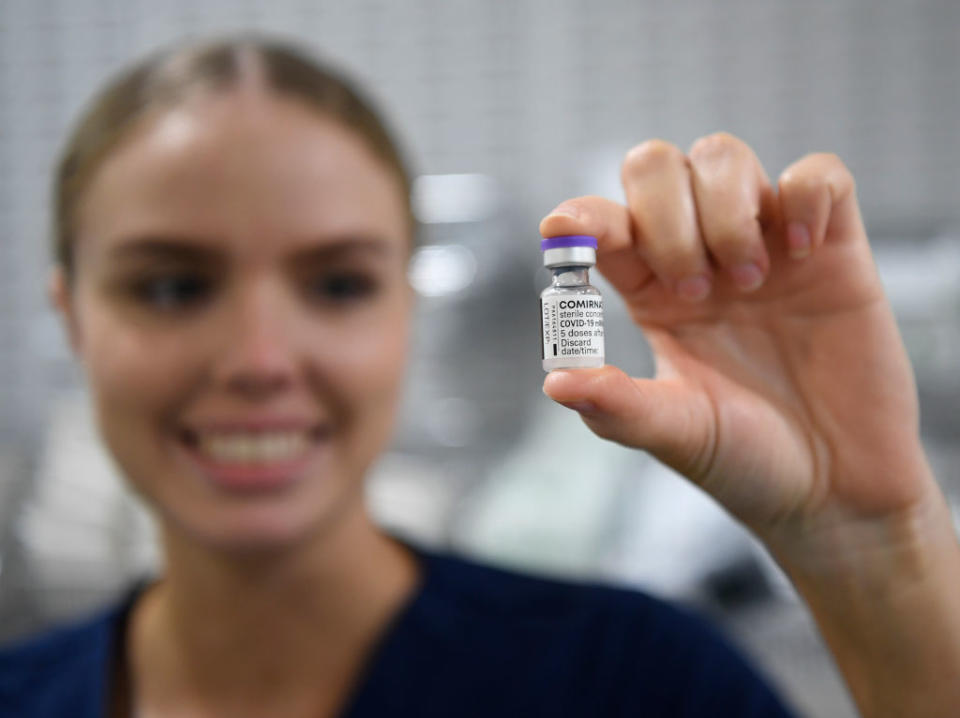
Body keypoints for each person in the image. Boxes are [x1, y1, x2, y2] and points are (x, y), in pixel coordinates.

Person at [1, 34, 957, 718]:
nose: (258, 360)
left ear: (407, 312)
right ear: (72, 317)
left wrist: (873, 549)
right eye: (172, 286)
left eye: (339, 283)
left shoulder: (632, 681)